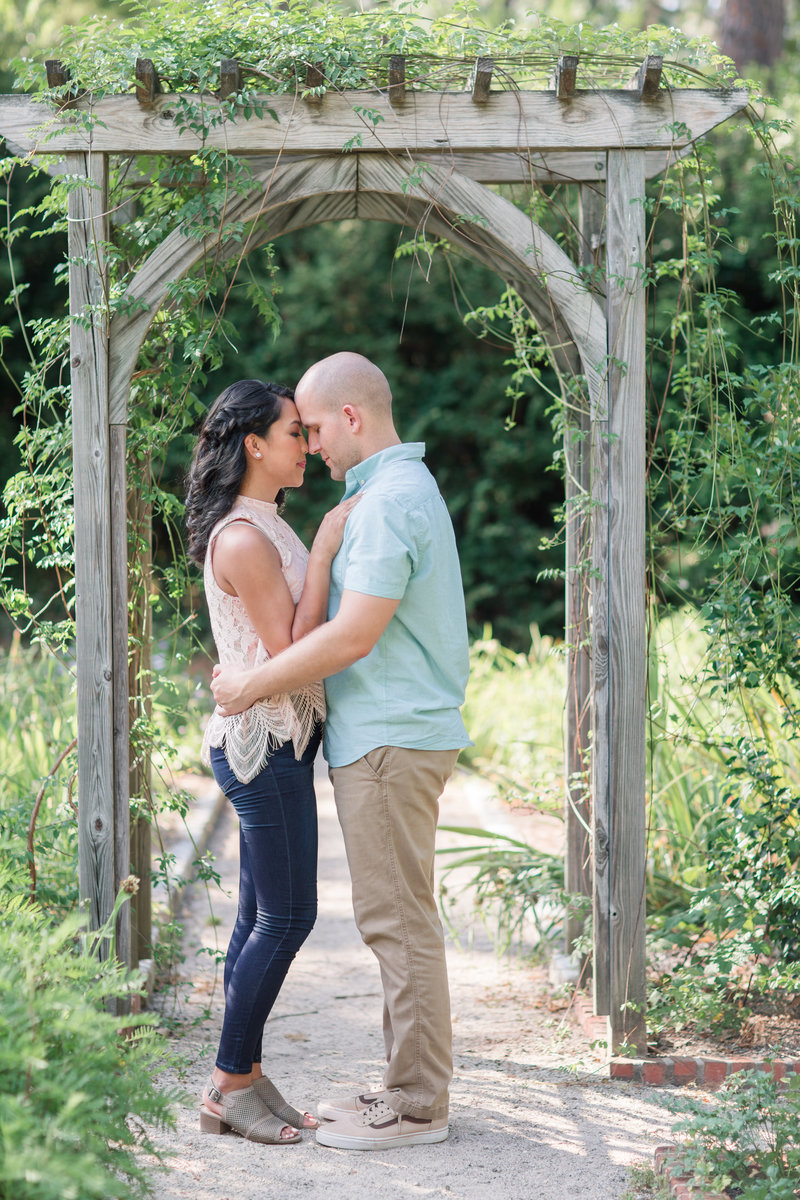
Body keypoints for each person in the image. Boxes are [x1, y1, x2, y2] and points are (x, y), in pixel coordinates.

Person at [211, 351, 471, 1150]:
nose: (313, 444)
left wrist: (248, 687)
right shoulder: (371, 499)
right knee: (312, 916)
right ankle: (244, 1082)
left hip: (389, 741)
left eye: (315, 427)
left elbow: (351, 636)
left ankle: (415, 1104)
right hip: (349, 741)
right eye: (297, 430)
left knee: (394, 923)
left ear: (351, 418)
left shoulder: (386, 503)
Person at [185, 378, 357, 1145]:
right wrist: (324, 548)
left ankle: (246, 1075)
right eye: (295, 432)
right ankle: (228, 1084)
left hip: (278, 738)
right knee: (290, 915)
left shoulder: (262, 523)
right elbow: (291, 653)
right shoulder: (247, 537)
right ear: (254, 444)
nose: (308, 444)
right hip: (261, 746)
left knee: (261, 915)